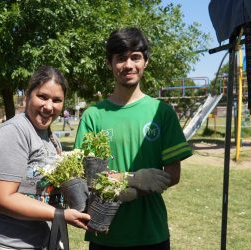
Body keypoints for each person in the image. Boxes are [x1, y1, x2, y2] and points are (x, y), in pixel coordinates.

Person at [74, 27, 192, 249]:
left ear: (145, 61)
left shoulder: (162, 113)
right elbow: (85, 178)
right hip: (104, 235)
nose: (128, 65)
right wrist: (130, 178)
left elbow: (172, 174)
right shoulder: (93, 116)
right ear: (109, 64)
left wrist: (135, 192)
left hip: (151, 234)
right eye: (120, 58)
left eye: (135, 57)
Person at [0, 66, 90, 249]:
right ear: (27, 96)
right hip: (4, 245)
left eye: (57, 100)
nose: (49, 106)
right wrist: (60, 215)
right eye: (42, 96)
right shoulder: (14, 132)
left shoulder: (52, 139)